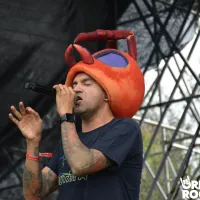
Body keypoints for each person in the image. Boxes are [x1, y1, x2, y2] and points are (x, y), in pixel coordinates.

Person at [9, 29, 145, 200]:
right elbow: (33, 194)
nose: (76, 89)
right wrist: (32, 142)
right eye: (74, 84)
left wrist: (66, 114)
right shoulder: (69, 140)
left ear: (106, 93)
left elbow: (81, 164)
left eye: (86, 83)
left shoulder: (125, 128)